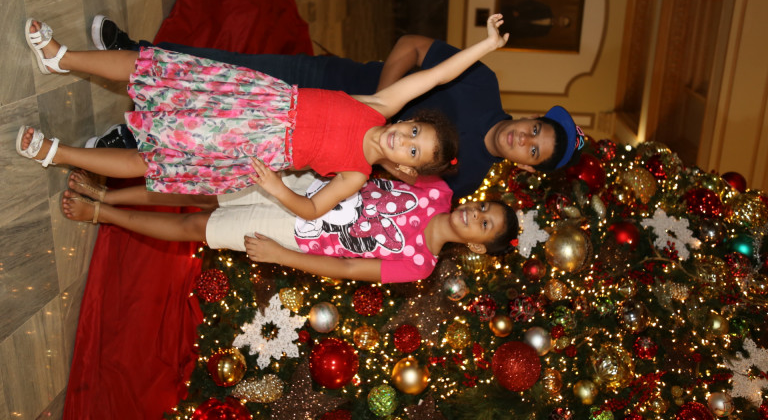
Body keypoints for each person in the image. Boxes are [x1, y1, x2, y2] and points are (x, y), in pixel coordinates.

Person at [17, 15, 508, 220]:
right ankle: (62, 58)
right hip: (255, 97)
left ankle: (58, 154)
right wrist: (486, 44)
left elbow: (312, 210)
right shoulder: (380, 105)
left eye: (414, 150)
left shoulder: (357, 174)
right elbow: (436, 74)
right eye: (415, 130)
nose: (405, 138)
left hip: (252, 150)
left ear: (404, 169)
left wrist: (277, 188)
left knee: (152, 162)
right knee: (159, 68)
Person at [92, 16, 584, 198]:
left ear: (527, 166)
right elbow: (412, 46)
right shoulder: (483, 82)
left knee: (219, 141)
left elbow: (396, 179)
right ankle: (134, 53)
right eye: (535, 129)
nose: (524, 139)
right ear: (531, 116)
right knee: (228, 72)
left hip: (314, 142)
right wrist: (378, 108)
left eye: (533, 150)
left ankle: (132, 138)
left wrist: (376, 156)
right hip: (332, 86)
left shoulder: (468, 178)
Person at [60, 170, 519, 283]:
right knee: (199, 190)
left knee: (196, 226)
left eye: (484, 225)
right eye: (484, 208)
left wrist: (283, 256)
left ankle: (103, 215)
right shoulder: (437, 189)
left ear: (477, 247)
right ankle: (108, 194)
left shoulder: (419, 265)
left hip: (294, 234)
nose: (475, 215)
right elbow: (381, 163)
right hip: (306, 186)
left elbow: (347, 269)